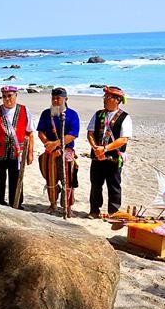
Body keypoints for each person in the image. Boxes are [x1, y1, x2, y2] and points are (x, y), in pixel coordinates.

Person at [86, 86, 133, 218]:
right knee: (95, 184)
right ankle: (94, 210)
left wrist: (105, 149)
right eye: (105, 97)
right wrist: (96, 148)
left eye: (108, 97)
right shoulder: (98, 114)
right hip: (97, 156)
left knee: (114, 185)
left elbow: (123, 139)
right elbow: (90, 133)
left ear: (117, 100)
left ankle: (113, 212)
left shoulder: (125, 117)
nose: (105, 100)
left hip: (113, 158)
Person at [0, 85, 34, 209]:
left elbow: (30, 133)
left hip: (17, 154)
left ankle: (16, 204)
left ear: (16, 95)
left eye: (10, 96)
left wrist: (30, 153)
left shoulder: (24, 110)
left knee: (17, 179)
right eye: (4, 96)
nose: (7, 99)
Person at [37, 87, 80, 217]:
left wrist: (56, 144)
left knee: (68, 179)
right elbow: (41, 132)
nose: (55, 101)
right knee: (51, 178)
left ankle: (68, 206)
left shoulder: (72, 114)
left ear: (65, 99)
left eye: (58, 98)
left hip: (66, 150)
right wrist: (47, 145)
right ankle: (52, 204)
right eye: (53, 98)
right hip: (50, 150)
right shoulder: (46, 113)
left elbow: (72, 135)